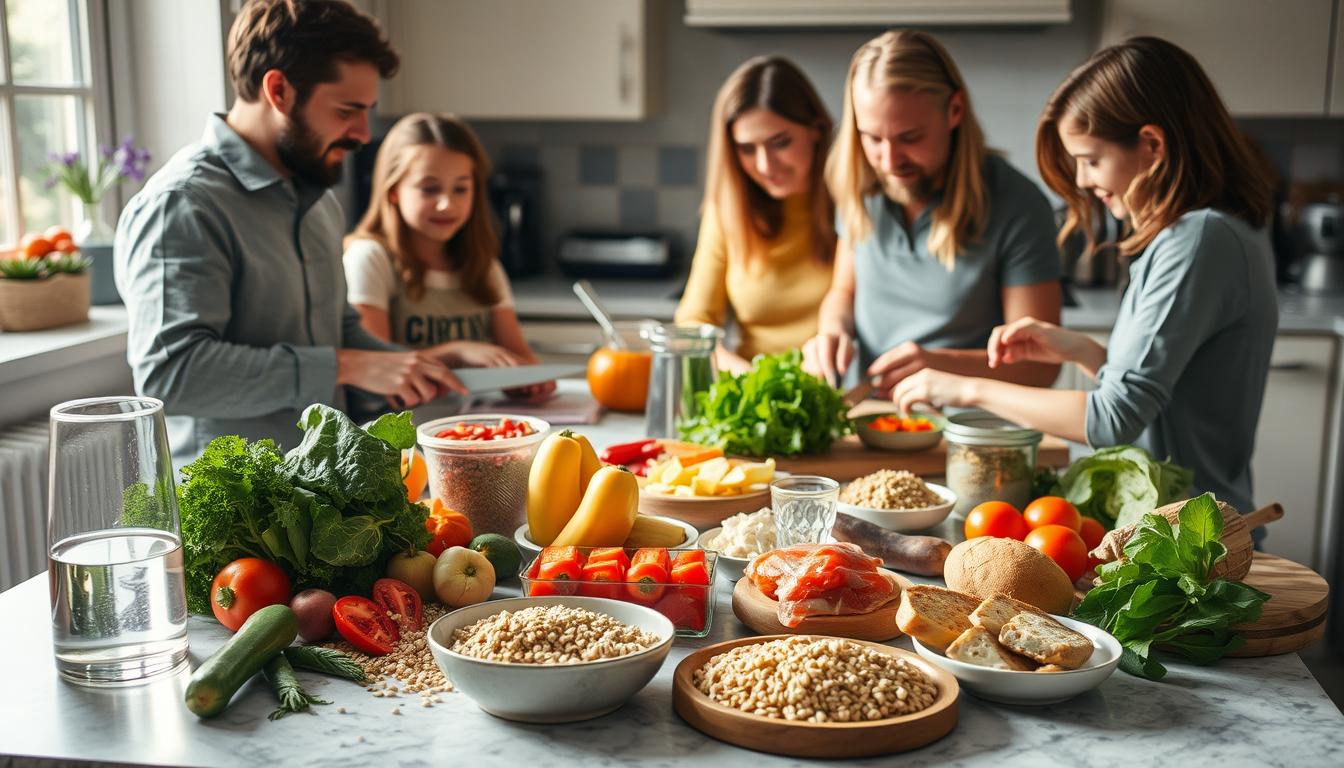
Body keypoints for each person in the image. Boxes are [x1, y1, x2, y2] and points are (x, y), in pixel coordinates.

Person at [892, 37, 1278, 514]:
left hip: (1196, 540)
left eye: (1091, 159)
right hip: (1182, 527)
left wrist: (961, 387)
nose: (1081, 181)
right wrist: (1083, 352)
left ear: (1152, 145)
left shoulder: (1197, 240)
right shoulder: (1209, 232)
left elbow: (1111, 419)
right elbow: (1160, 396)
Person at [115, 0, 464, 465]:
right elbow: (172, 375)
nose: (363, 134)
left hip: (316, 496)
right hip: (232, 521)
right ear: (278, 90)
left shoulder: (317, 198)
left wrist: (412, 367)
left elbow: (335, 328)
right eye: (347, 111)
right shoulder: (183, 204)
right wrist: (347, 365)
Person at [803, 29, 1062, 394]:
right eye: (873, 138)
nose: (890, 161)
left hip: (967, 429)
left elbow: (1039, 366)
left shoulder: (1017, 205)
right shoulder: (859, 184)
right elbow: (845, 291)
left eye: (910, 137)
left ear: (954, 111)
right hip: (868, 416)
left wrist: (939, 366)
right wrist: (832, 330)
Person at [344, 113, 554, 399]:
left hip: (475, 430)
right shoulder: (370, 258)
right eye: (429, 189)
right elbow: (374, 371)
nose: (447, 204)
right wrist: (456, 353)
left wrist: (532, 381)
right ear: (393, 191)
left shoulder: (484, 265)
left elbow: (522, 360)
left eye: (460, 189)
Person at [674, 56, 836, 375]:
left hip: (840, 392)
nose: (765, 165)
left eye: (780, 143)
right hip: (751, 391)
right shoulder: (727, 212)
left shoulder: (852, 205)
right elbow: (694, 324)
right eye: (747, 148)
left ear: (816, 130)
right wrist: (749, 378)